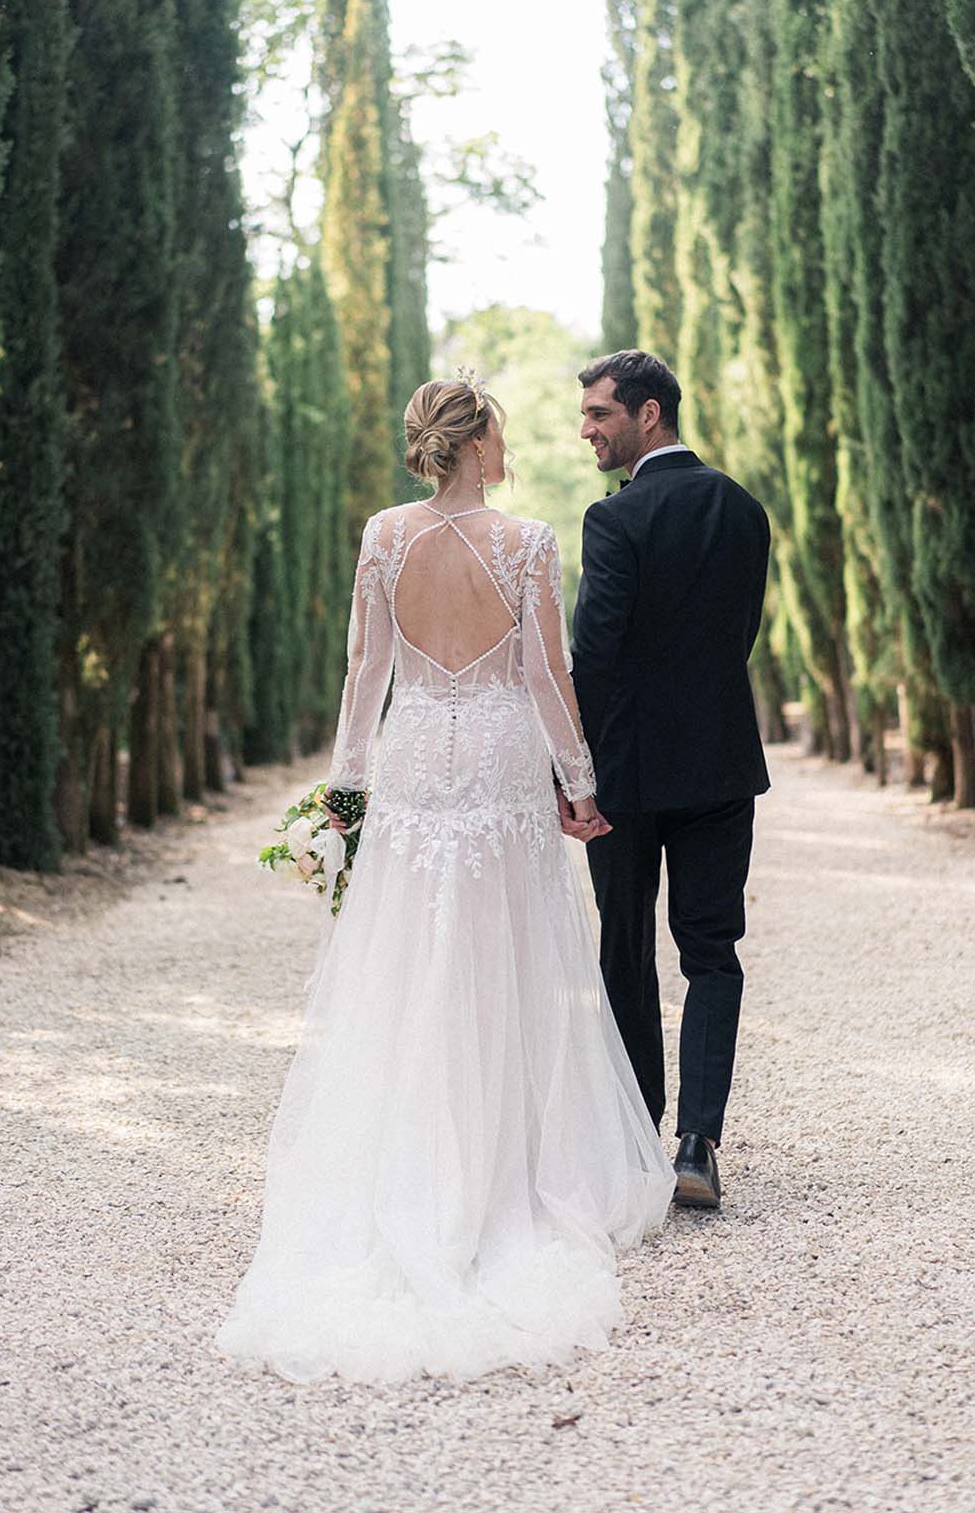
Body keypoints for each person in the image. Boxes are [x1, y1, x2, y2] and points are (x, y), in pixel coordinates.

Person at [217, 373, 674, 1386]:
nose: (508, 446)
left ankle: (408, 1164)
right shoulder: (529, 544)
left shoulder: (384, 535)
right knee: (507, 954)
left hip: (419, 756)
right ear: (475, 443)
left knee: (412, 954)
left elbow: (362, 672)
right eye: (500, 431)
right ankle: (501, 1173)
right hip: (504, 767)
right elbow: (547, 679)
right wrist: (584, 784)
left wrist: (344, 791)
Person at [570, 350, 771, 1211]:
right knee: (712, 949)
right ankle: (698, 1142)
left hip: (627, 773)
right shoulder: (744, 509)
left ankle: (635, 1136)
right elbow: (741, 636)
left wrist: (574, 770)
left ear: (649, 414)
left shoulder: (613, 521)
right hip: (721, 762)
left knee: (626, 947)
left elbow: (595, 657)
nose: (588, 430)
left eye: (600, 414)